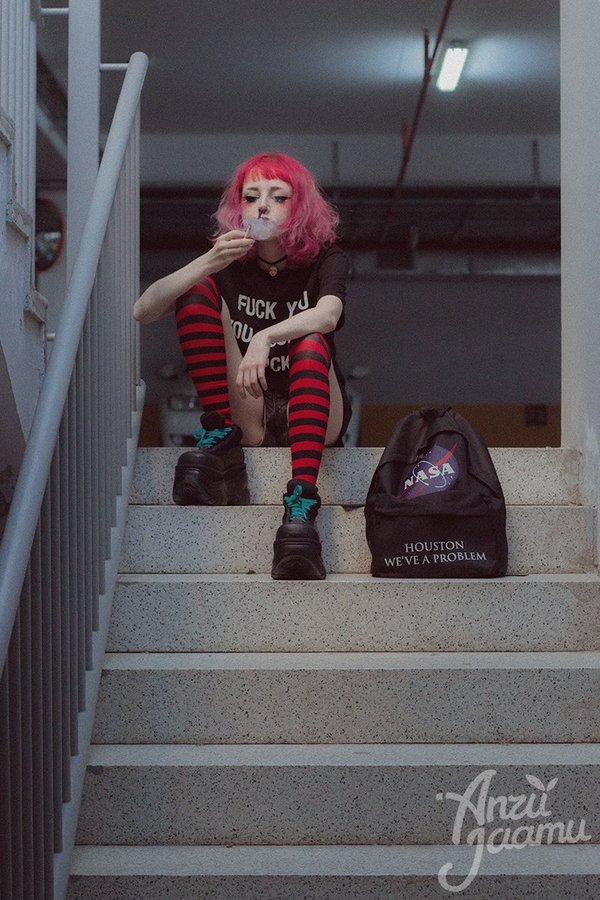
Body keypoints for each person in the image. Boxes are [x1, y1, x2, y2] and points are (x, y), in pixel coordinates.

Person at [133, 152, 351, 580]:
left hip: (315, 411)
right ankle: (222, 439)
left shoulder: (327, 256)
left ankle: (301, 503)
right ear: (239, 208)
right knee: (195, 291)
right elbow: (143, 311)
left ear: (300, 207)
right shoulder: (227, 260)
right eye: (251, 197)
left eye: (278, 196)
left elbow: (328, 315)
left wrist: (265, 338)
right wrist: (209, 261)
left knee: (311, 340)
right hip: (249, 411)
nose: (263, 206)